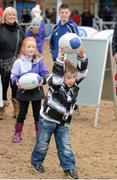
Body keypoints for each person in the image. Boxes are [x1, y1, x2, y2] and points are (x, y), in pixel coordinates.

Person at [30, 47, 88, 179]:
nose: (72, 80)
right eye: (68, 77)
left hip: (63, 122)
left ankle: (69, 167)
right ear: (62, 77)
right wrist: (60, 60)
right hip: (48, 120)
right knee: (42, 143)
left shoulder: (73, 84)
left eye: (73, 77)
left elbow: (82, 73)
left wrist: (82, 57)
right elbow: (56, 79)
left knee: (65, 145)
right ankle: (36, 162)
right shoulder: (55, 83)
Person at [11, 37, 49, 143]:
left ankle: (39, 134)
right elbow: (13, 75)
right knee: (22, 113)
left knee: (37, 114)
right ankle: (17, 133)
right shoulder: (19, 62)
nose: (31, 49)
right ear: (23, 49)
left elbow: (45, 73)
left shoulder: (39, 61)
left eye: (33, 47)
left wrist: (43, 80)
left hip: (36, 91)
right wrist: (16, 82)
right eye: (29, 46)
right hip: (24, 91)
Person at [0, 7, 25, 120]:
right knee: (3, 87)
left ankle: (17, 108)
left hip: (16, 64)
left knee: (15, 86)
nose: (11, 17)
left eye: (14, 15)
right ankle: (1, 108)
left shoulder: (20, 31)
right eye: (9, 15)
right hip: (1, 63)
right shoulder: (0, 29)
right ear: (5, 16)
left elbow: (23, 47)